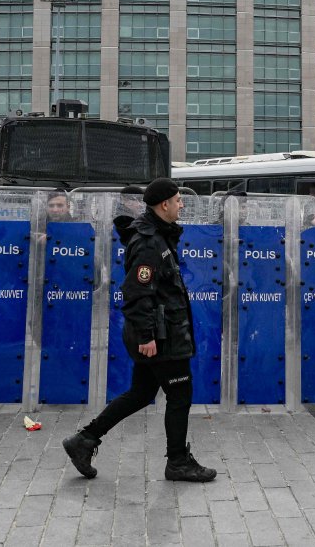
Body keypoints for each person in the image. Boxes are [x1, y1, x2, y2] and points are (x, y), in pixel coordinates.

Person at [62, 178, 216, 483]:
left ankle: (84, 440)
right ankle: (178, 462)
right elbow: (136, 293)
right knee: (180, 393)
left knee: (141, 393)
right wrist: (146, 337)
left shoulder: (159, 235)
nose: (182, 205)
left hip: (161, 331)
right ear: (164, 205)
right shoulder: (149, 243)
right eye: (178, 201)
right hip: (160, 335)